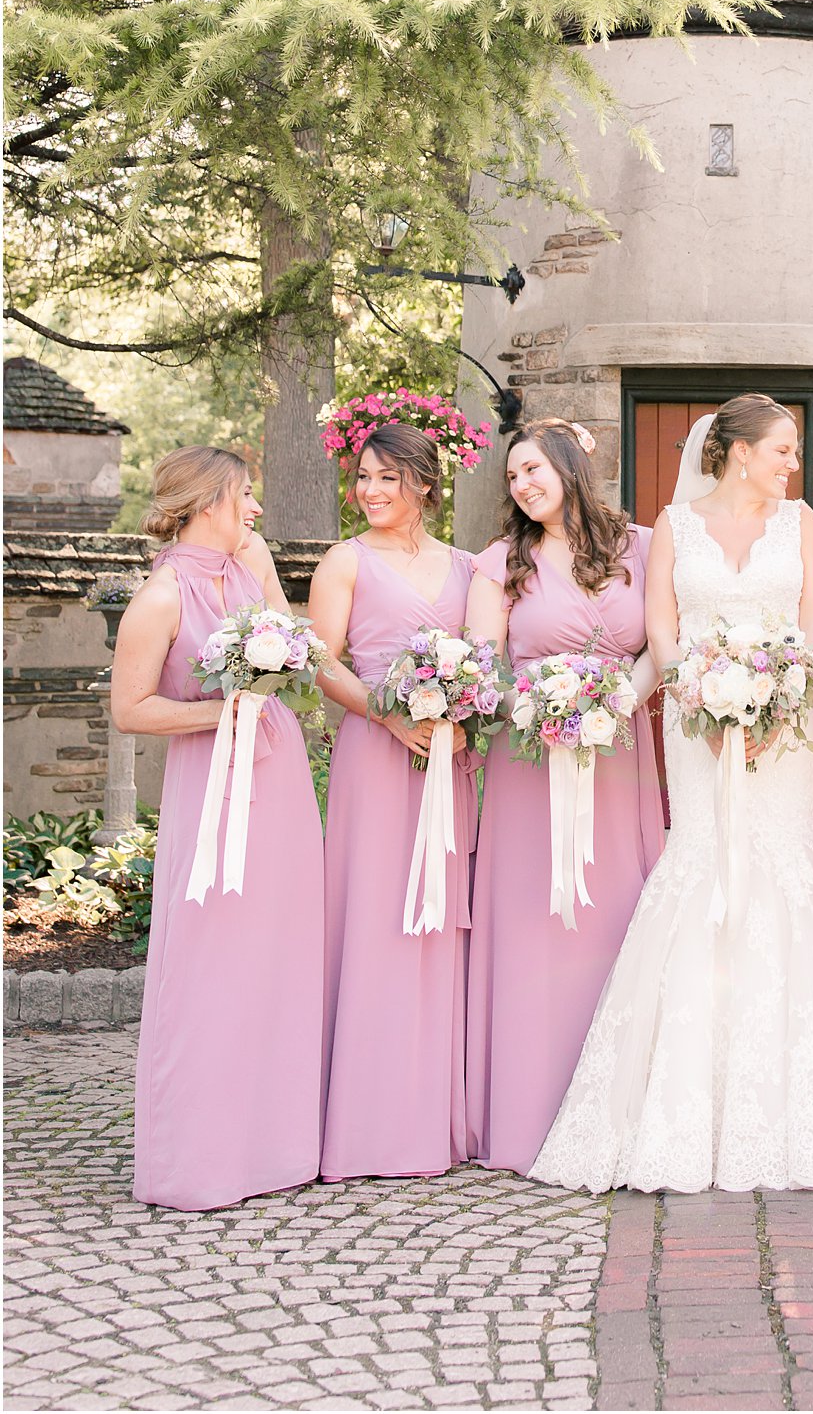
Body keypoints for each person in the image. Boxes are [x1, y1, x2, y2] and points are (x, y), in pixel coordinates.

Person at [531, 393, 813, 1192]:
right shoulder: (675, 525)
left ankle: (794, 1103)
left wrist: (775, 708)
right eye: (783, 449)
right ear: (740, 451)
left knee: (782, 868)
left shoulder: (802, 523)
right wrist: (705, 707)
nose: (795, 464)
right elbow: (666, 628)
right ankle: (681, 1106)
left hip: (784, 730)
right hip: (695, 722)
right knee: (704, 862)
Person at [112, 447, 322, 1209]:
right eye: (246, 496)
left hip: (279, 779)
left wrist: (272, 667)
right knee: (210, 966)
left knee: (276, 956)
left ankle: (275, 1146)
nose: (256, 510)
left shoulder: (248, 564)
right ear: (210, 501)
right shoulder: (160, 597)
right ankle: (197, 1159)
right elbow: (129, 708)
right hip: (212, 792)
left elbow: (291, 653)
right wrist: (220, 712)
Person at [464, 418, 664, 1171]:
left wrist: (614, 702)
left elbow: (656, 644)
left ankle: (618, 1114)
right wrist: (543, 704)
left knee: (616, 919)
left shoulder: (639, 547)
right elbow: (484, 666)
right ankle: (527, 1115)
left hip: (621, 755)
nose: (521, 484)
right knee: (538, 923)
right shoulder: (501, 563)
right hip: (532, 759)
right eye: (512, 475)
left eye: (532, 467)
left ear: (570, 463)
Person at [308, 419, 477, 1181]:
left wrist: (461, 716)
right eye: (363, 478)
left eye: (387, 477)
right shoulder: (345, 561)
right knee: (375, 916)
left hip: (448, 762)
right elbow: (321, 661)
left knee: (442, 920)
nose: (370, 491)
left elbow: (484, 662)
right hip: (375, 760)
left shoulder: (468, 567)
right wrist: (387, 712)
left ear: (425, 484)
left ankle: (434, 1115)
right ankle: (367, 1121)